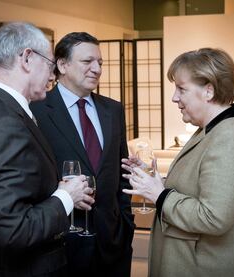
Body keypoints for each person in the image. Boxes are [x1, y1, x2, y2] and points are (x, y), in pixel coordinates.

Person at [0, 22, 95, 277]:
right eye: (50, 63)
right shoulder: (6, 123)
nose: (53, 75)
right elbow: (15, 229)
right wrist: (67, 196)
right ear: (27, 58)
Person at [122, 48, 234, 277]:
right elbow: (198, 186)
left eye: (181, 89)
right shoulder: (208, 131)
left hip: (206, 267)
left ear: (208, 91)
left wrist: (160, 195)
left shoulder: (229, 139)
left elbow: (213, 218)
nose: (175, 97)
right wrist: (154, 180)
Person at [31, 32, 135, 277]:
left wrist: (125, 223)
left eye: (100, 62)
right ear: (62, 65)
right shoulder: (36, 111)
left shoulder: (113, 109)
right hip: (63, 241)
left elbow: (120, 170)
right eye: (88, 62)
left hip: (113, 239)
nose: (97, 69)